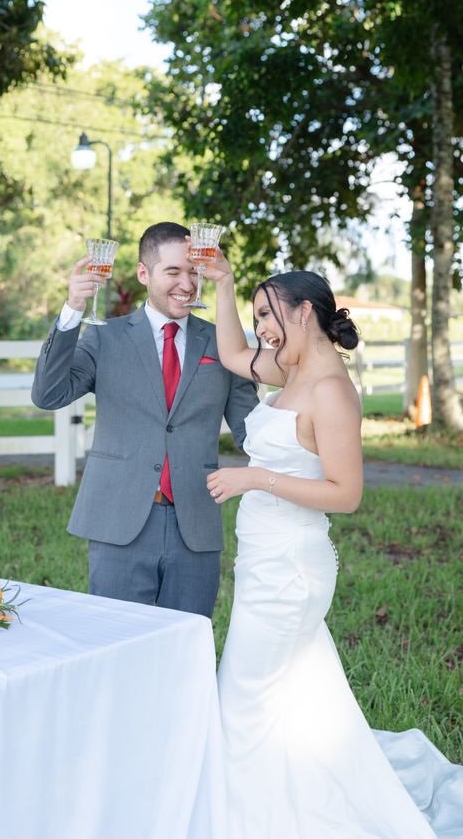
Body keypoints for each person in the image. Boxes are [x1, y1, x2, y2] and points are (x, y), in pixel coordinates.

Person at [204, 254, 459, 838]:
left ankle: (241, 816)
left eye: (267, 315)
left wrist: (252, 477)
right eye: (256, 314)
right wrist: (223, 284)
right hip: (264, 562)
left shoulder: (331, 391)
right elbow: (232, 355)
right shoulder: (288, 370)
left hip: (290, 570)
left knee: (243, 692)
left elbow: (346, 494)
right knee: (297, 696)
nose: (261, 327)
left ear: (303, 311)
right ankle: (297, 786)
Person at [32, 221, 257, 617]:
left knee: (186, 647)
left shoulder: (222, 343)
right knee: (117, 644)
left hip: (196, 524)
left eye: (193, 272)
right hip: (118, 520)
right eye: (173, 271)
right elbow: (49, 394)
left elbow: (251, 433)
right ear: (143, 273)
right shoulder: (106, 337)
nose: (186, 284)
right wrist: (72, 312)